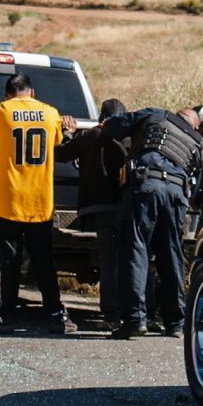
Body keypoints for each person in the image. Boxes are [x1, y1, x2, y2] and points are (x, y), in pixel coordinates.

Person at [0, 73, 77, 335]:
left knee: (10, 261)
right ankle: (55, 314)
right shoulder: (50, 113)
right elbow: (57, 141)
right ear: (32, 92)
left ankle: (6, 315)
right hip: (40, 200)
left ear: (8, 94)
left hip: (8, 199)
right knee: (44, 260)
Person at [102, 107, 203, 339]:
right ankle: (175, 323)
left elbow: (116, 125)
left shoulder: (157, 115)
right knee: (171, 254)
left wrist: (106, 125)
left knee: (135, 249)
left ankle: (135, 320)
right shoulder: (198, 140)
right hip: (178, 193)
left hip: (146, 184)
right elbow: (198, 183)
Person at [55, 98, 128, 327]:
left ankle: (112, 316)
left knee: (108, 262)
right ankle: (136, 313)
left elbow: (62, 154)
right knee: (129, 260)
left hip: (97, 208)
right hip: (126, 208)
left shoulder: (90, 136)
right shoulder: (129, 138)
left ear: (100, 117)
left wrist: (68, 133)